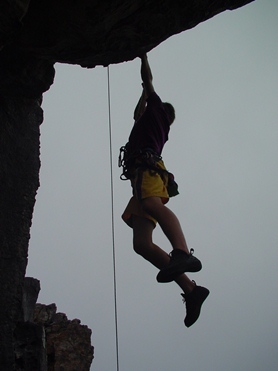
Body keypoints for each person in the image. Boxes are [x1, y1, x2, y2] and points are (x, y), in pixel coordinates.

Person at [119, 54, 209, 327]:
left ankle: (182, 251)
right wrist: (143, 95)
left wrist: (143, 54)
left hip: (148, 169)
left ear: (159, 110)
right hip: (140, 177)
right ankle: (192, 291)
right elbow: (136, 113)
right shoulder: (151, 122)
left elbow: (148, 79)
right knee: (142, 244)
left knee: (152, 205)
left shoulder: (157, 110)